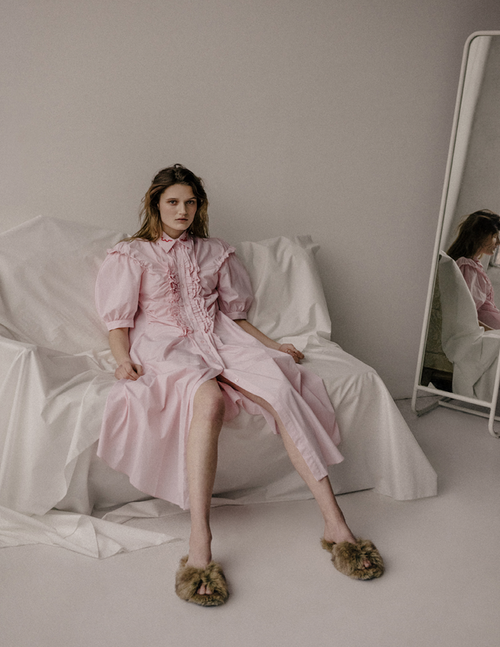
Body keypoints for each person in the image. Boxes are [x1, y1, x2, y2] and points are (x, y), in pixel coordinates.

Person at [95, 164, 384, 606]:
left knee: (282, 392)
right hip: (165, 346)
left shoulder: (216, 252)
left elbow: (236, 316)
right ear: (156, 204)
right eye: (173, 201)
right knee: (208, 402)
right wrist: (122, 362)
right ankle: (200, 542)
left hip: (222, 338)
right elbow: (118, 323)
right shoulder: (132, 255)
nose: (182, 210)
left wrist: (272, 346)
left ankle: (336, 525)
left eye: (190, 202)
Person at [447, 209, 500, 330]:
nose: (498, 242)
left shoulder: (473, 265)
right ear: (480, 236)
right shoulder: (466, 267)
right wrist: (493, 333)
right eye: (495, 236)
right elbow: (467, 315)